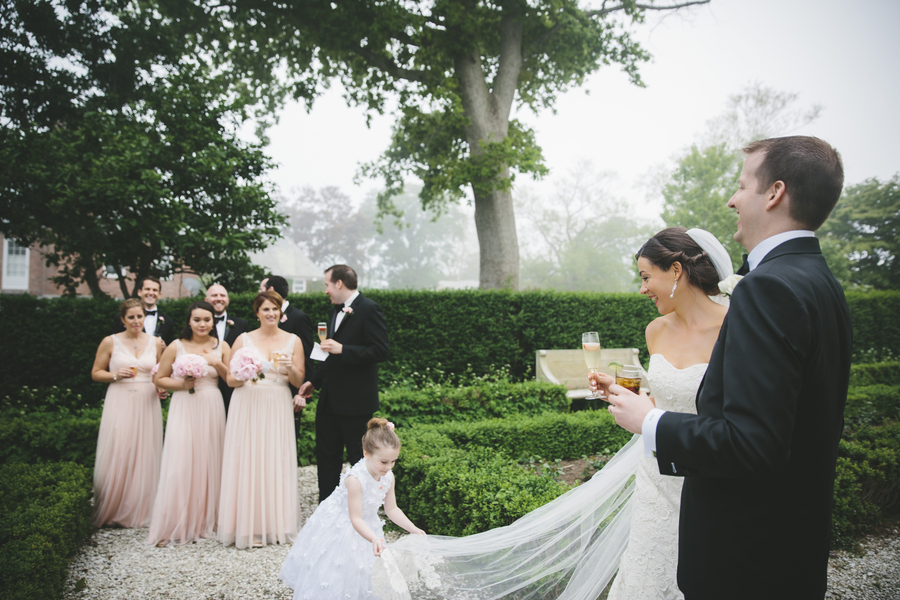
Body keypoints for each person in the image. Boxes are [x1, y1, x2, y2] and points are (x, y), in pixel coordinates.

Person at [367, 228, 733, 600]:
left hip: (709, 474)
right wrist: (621, 396)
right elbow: (663, 408)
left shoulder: (735, 327)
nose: (641, 289)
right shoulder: (656, 330)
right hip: (656, 477)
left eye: (645, 277)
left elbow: (733, 419)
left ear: (675, 270)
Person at [601, 136, 851, 600]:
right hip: (795, 547)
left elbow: (752, 443)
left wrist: (649, 420)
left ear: (774, 193)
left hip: (746, 556)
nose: (732, 199)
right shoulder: (822, 282)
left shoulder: (766, 289)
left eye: (741, 186)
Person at [279, 418, 424, 599]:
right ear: (366, 453)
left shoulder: (388, 477)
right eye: (384, 462)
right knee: (336, 570)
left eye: (393, 461)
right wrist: (374, 538)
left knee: (366, 570)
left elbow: (392, 509)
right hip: (342, 524)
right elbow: (355, 519)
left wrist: (414, 529)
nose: (389, 467)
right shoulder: (355, 479)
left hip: (368, 524)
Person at [218, 290, 306, 549]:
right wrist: (249, 371)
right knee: (248, 459)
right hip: (247, 403)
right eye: (265, 309)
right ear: (257, 313)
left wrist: (290, 367)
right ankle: (248, 527)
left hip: (277, 403)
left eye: (275, 309)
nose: (271, 313)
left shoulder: (294, 340)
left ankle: (277, 525)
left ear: (281, 312)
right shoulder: (243, 340)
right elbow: (231, 380)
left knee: (275, 459)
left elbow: (298, 382)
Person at [297, 265, 390, 502]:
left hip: (355, 402)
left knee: (361, 458)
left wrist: (343, 349)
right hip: (329, 399)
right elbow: (330, 357)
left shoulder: (369, 309)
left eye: (327, 284)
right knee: (327, 457)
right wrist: (312, 382)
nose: (325, 290)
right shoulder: (335, 311)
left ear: (339, 283)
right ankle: (327, 508)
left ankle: (364, 508)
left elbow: (380, 350)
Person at [147, 301, 229, 546]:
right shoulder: (176, 346)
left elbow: (231, 378)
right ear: (189, 322)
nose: (202, 324)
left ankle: (209, 520)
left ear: (212, 321)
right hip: (184, 405)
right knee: (180, 459)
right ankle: (174, 523)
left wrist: (217, 363)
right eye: (197, 320)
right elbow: (159, 379)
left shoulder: (221, 345)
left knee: (210, 459)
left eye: (207, 319)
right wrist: (181, 385)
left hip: (212, 405)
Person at [90, 298, 166, 528]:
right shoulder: (110, 342)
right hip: (120, 398)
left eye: (139, 316)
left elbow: (159, 374)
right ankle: (115, 507)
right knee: (119, 448)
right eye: (131, 317)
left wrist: (161, 389)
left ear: (145, 317)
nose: (136, 321)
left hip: (146, 401)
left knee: (146, 451)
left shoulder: (157, 343)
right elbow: (95, 373)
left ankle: (141, 510)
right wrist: (115, 375)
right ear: (123, 319)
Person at [262, 275, 314, 447]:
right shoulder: (262, 317)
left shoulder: (299, 318)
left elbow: (308, 356)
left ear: (270, 291)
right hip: (263, 391)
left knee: (284, 442)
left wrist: (301, 393)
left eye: (261, 289)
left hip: (290, 392)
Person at [206, 283, 249, 416]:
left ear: (228, 300)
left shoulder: (242, 324)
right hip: (206, 381)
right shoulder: (199, 325)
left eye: (222, 295)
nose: (219, 298)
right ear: (206, 300)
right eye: (214, 295)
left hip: (231, 384)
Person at [111, 277, 174, 345]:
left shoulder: (168, 321)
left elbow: (170, 347)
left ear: (159, 295)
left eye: (155, 290)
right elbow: (115, 343)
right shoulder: (124, 318)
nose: (151, 293)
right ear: (139, 292)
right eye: (147, 289)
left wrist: (165, 348)